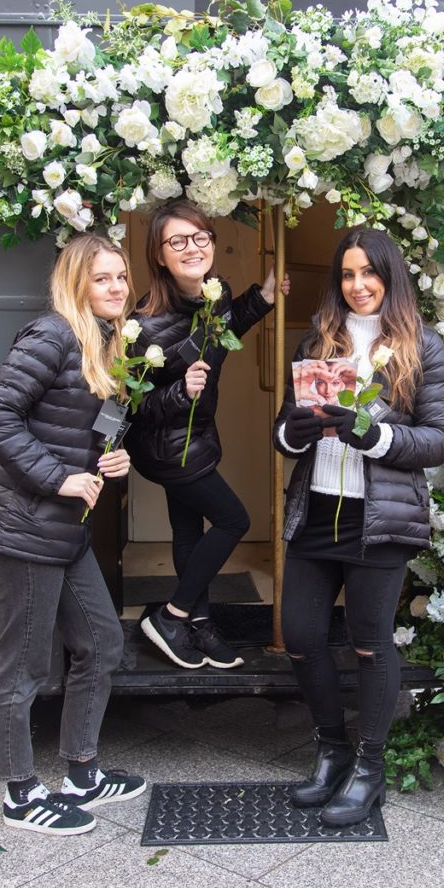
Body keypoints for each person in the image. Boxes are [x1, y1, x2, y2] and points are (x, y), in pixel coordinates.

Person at [273, 228, 444, 826]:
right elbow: (285, 427)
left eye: (369, 273)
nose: (358, 285)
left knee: (371, 644)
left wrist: (375, 437)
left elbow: (438, 440)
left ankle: (369, 769)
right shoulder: (318, 340)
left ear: (389, 277)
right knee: (301, 637)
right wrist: (292, 433)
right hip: (316, 507)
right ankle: (332, 751)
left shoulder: (421, 346)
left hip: (380, 516)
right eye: (348, 274)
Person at [0, 234, 147, 836]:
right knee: (21, 666)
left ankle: (82, 774)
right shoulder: (52, 336)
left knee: (101, 642)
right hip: (25, 527)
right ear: (76, 283)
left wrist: (112, 457)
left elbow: (85, 428)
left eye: (121, 277)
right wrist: (58, 478)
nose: (117, 288)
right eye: (103, 278)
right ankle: (20, 795)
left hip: (63, 532)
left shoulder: (104, 341)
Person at [126, 199, 289, 670]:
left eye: (201, 237)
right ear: (159, 255)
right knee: (233, 520)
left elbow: (223, 329)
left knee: (187, 528)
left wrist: (264, 296)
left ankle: (199, 626)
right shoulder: (143, 326)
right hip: (164, 447)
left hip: (194, 436)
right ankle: (172, 615)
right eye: (177, 241)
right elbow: (131, 406)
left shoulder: (215, 295)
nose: (192, 248)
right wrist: (179, 392)